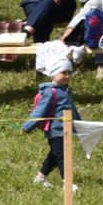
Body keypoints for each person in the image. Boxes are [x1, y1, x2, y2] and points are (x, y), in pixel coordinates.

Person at [22, 43, 81, 189]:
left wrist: (80, 124)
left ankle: (41, 177)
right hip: (55, 130)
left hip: (66, 129)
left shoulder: (66, 91)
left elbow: (72, 109)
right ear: (54, 74)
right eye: (63, 73)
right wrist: (28, 126)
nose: (67, 76)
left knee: (54, 155)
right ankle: (67, 183)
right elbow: (40, 111)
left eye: (69, 72)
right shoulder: (50, 92)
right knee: (62, 156)